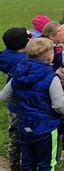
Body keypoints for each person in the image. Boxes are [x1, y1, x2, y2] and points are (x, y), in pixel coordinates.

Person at [0, 38, 64, 170]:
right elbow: (59, 106)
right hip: (46, 127)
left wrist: (23, 102)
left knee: (27, 162)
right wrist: (60, 112)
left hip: (25, 125)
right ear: (50, 56)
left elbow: (4, 96)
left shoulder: (18, 74)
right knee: (47, 163)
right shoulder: (51, 77)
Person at [0, 27, 30, 171]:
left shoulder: (5, 55)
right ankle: (25, 164)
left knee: (14, 137)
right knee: (25, 137)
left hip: (13, 105)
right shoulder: (24, 60)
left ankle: (13, 165)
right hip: (25, 104)